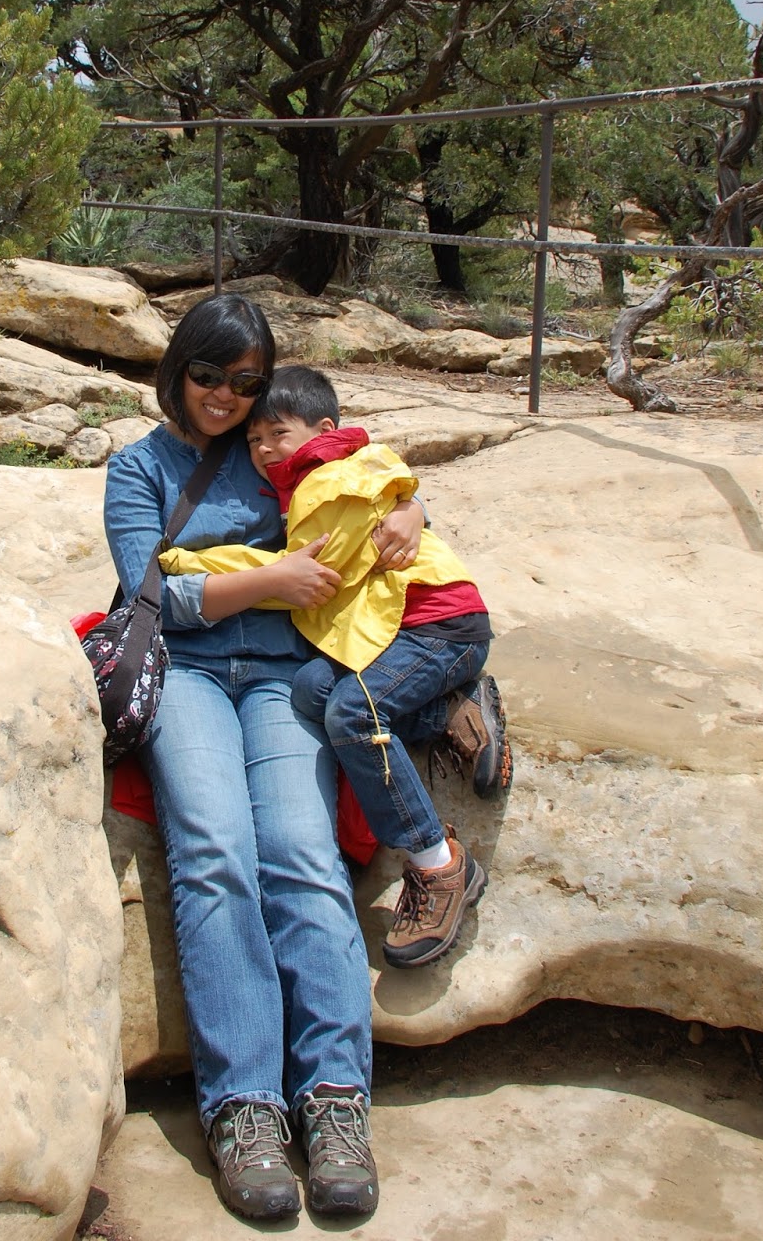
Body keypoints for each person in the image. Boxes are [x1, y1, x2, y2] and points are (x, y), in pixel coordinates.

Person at [102, 296, 425, 1223]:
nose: (226, 397)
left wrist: (412, 507)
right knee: (214, 850)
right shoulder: (138, 469)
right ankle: (243, 1103)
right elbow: (152, 594)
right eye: (208, 375)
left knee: (300, 852)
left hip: (286, 673)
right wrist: (271, 580)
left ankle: (334, 1098)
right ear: (177, 370)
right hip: (190, 672)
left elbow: (367, 476)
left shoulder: (274, 449)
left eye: (246, 382)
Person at [160, 364, 512, 970]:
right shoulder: (316, 477)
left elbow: (315, 574)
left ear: (323, 430)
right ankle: (450, 710)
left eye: (278, 433)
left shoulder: (329, 477)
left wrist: (193, 564)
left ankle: (438, 864)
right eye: (255, 439)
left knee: (353, 711)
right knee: (310, 690)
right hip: (391, 632)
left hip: (435, 626)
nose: (264, 449)